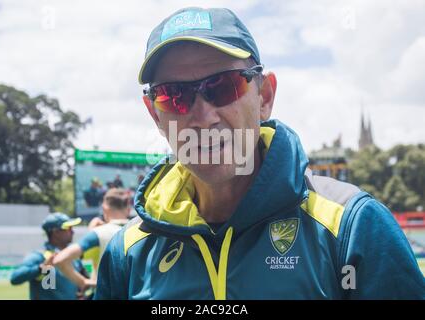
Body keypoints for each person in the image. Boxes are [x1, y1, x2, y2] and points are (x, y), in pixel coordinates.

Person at [95, 7, 425, 299]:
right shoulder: (127, 253)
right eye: (174, 96)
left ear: (264, 97)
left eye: (222, 86)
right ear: (155, 114)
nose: (202, 116)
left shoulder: (353, 227)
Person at [53, 188, 131, 291]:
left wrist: (83, 282)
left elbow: (60, 260)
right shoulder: (142, 230)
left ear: (104, 208)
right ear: (129, 209)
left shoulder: (99, 233)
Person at [10, 213, 91, 300]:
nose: (72, 231)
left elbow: (85, 283)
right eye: (69, 228)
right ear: (56, 232)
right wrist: (41, 268)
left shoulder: (73, 257)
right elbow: (15, 278)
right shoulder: (40, 256)